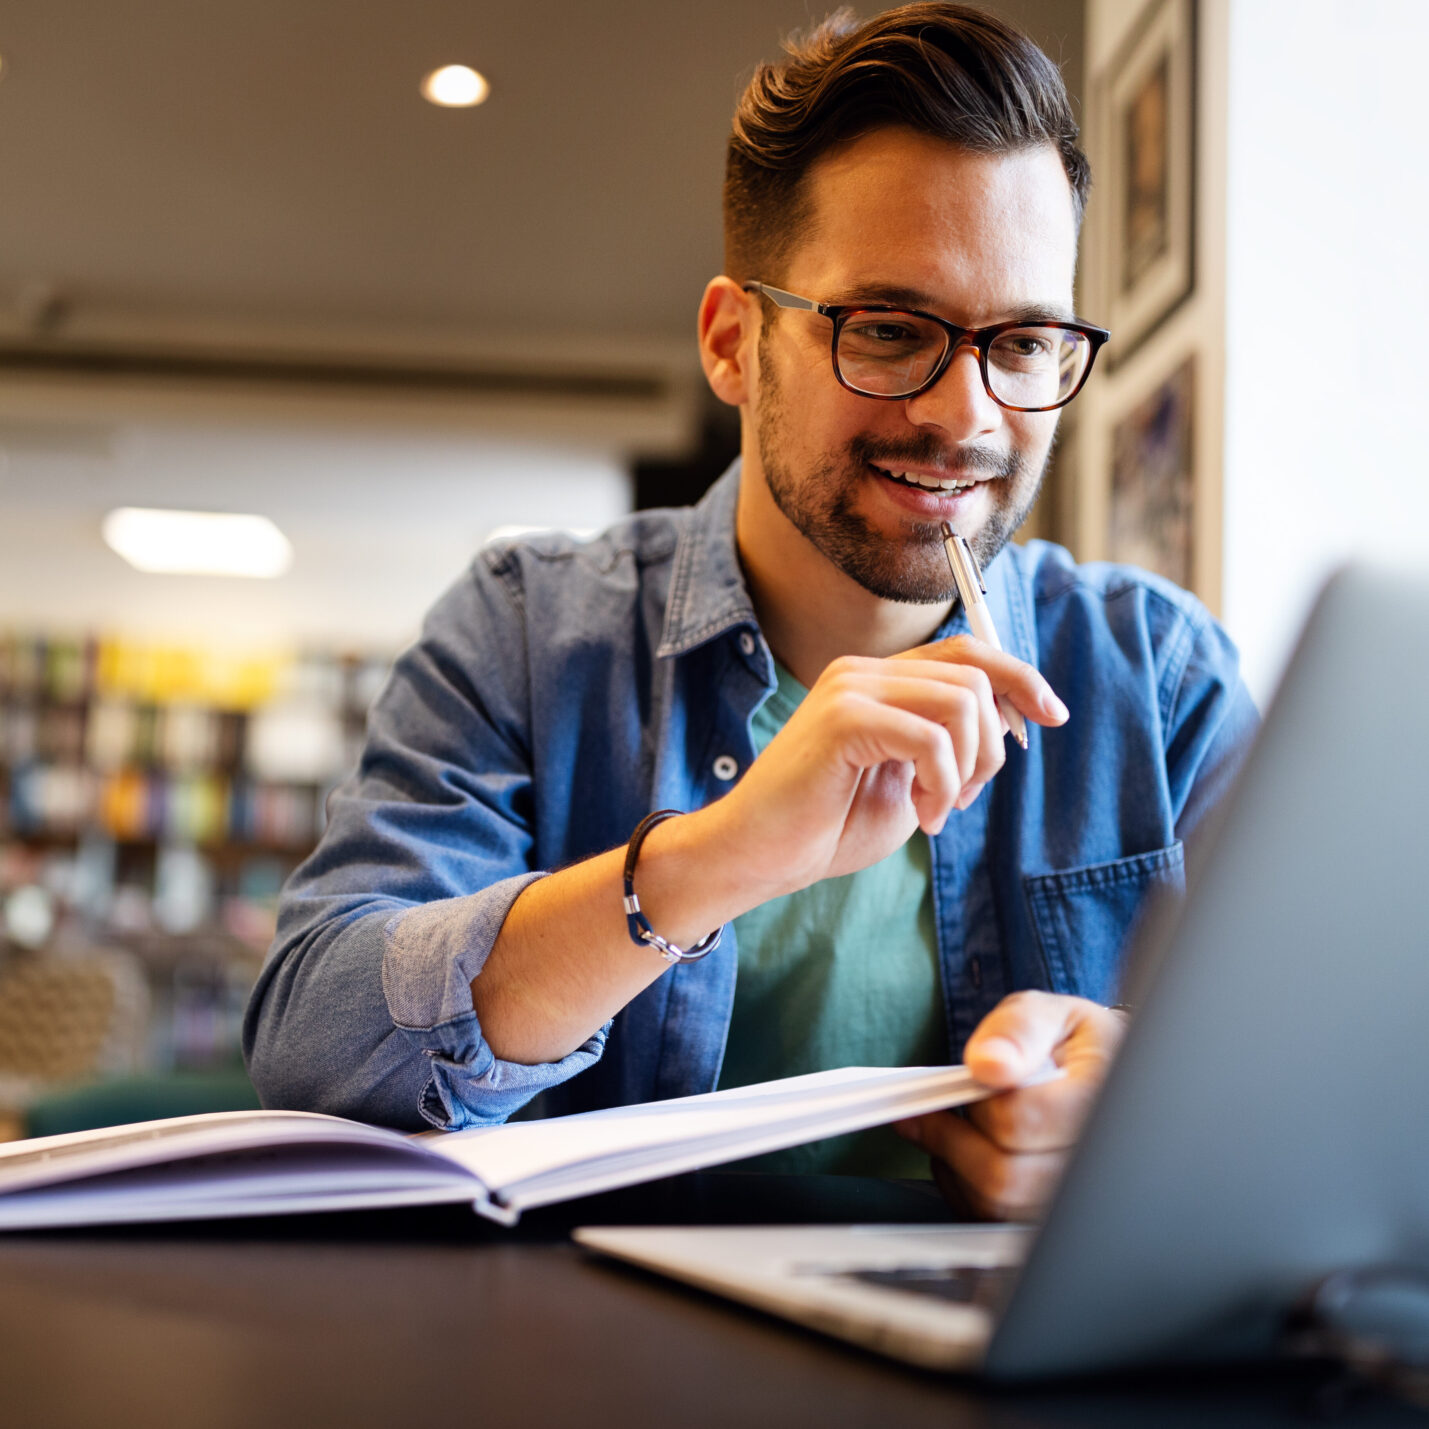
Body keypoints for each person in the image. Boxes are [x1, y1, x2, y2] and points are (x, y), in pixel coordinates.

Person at [245, 3, 1257, 1220]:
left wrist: (1142, 1116)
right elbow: (313, 1042)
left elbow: (1343, 1085)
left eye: (1025, 341)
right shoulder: (527, 629)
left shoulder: (1158, 675)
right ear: (734, 343)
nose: (967, 415)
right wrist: (710, 859)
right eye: (888, 330)